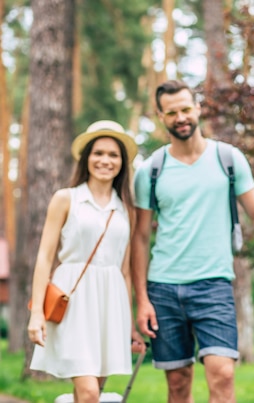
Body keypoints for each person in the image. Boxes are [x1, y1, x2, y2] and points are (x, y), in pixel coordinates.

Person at [132, 79, 254, 403]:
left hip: (214, 285)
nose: (180, 117)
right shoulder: (150, 170)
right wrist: (142, 299)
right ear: (160, 116)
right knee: (178, 385)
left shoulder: (228, 158)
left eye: (184, 109)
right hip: (163, 287)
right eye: (171, 113)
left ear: (197, 109)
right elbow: (139, 239)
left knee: (222, 375)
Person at [27, 120, 146, 402]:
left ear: (122, 163)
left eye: (113, 155)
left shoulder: (126, 209)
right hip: (73, 300)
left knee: (91, 393)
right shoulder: (66, 199)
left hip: (110, 302)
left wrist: (129, 325)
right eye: (98, 153)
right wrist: (36, 314)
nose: (105, 160)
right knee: (90, 391)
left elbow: (126, 271)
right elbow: (44, 257)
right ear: (86, 158)